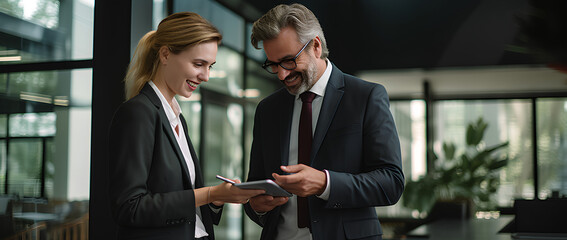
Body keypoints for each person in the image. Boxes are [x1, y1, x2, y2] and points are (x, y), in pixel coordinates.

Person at [244, 4, 404, 240]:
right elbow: (255, 187)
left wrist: (325, 183)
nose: (281, 75)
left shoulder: (365, 97)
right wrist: (256, 205)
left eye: (288, 61)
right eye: (273, 64)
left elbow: (391, 183)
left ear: (316, 46)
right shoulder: (267, 110)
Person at [108, 12, 264, 240]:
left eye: (210, 66)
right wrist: (209, 193)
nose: (206, 76)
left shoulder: (176, 117)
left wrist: (217, 199)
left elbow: (188, 211)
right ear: (165, 55)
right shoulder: (138, 113)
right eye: (198, 64)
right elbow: (129, 208)